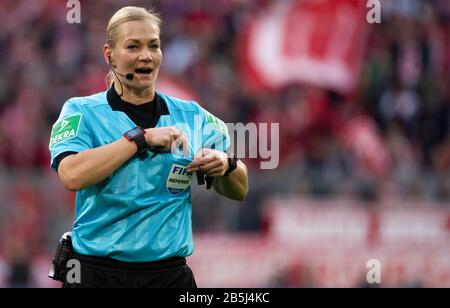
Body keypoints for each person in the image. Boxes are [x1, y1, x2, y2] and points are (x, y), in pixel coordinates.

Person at [48, 6, 248, 288]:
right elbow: (71, 175)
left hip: (168, 277)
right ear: (110, 55)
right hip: (96, 274)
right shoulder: (81, 111)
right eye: (133, 46)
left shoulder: (193, 115)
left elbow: (239, 189)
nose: (146, 55)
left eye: (153, 46)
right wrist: (140, 139)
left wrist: (226, 164)